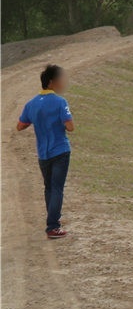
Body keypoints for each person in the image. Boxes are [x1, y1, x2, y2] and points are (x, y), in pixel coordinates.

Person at [15, 64, 75, 239]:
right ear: (52, 82)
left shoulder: (31, 104)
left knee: (48, 188)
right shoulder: (60, 102)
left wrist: (36, 120)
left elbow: (20, 126)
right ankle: (53, 226)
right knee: (57, 188)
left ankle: (52, 224)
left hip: (43, 153)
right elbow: (70, 127)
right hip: (60, 150)